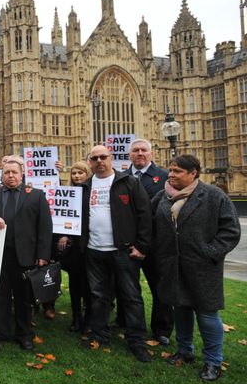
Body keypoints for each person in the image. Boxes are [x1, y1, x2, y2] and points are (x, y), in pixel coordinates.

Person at [152, 155, 240, 381]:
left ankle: (213, 361)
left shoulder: (213, 196)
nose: (171, 175)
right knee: (180, 309)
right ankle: (185, 350)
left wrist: (210, 253)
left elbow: (230, 231)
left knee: (207, 314)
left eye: (178, 171)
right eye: (170, 170)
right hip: (173, 265)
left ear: (193, 173)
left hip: (202, 266)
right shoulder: (163, 197)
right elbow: (150, 226)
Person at [82, 145, 152, 362]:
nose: (99, 161)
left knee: (131, 297)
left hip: (122, 250)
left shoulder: (129, 182)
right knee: (98, 296)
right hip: (94, 250)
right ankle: (100, 335)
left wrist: (141, 246)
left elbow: (145, 215)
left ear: (111, 158)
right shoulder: (84, 186)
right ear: (90, 162)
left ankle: (137, 341)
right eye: (95, 158)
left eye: (103, 157)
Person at [0, 156, 52, 350]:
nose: (10, 176)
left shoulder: (36, 195)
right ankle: (1, 332)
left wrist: (43, 255)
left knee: (24, 298)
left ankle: (24, 334)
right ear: (2, 175)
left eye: (14, 172)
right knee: (0, 296)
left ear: (22, 175)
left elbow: (45, 227)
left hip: (25, 256)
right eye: (7, 173)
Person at [124, 138, 171, 345]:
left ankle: (162, 329)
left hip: (156, 245)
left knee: (160, 289)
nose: (140, 154)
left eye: (144, 150)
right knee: (128, 290)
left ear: (151, 154)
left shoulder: (164, 177)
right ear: (129, 155)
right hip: (128, 244)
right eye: (136, 151)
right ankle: (131, 325)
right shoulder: (121, 177)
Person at [54, 161, 91, 332]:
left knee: (91, 285)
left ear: (87, 174)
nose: (76, 176)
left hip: (91, 244)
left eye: (80, 173)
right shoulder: (68, 193)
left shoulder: (93, 192)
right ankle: (77, 318)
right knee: (75, 284)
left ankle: (90, 319)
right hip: (74, 247)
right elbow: (61, 213)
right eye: (74, 173)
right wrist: (63, 234)